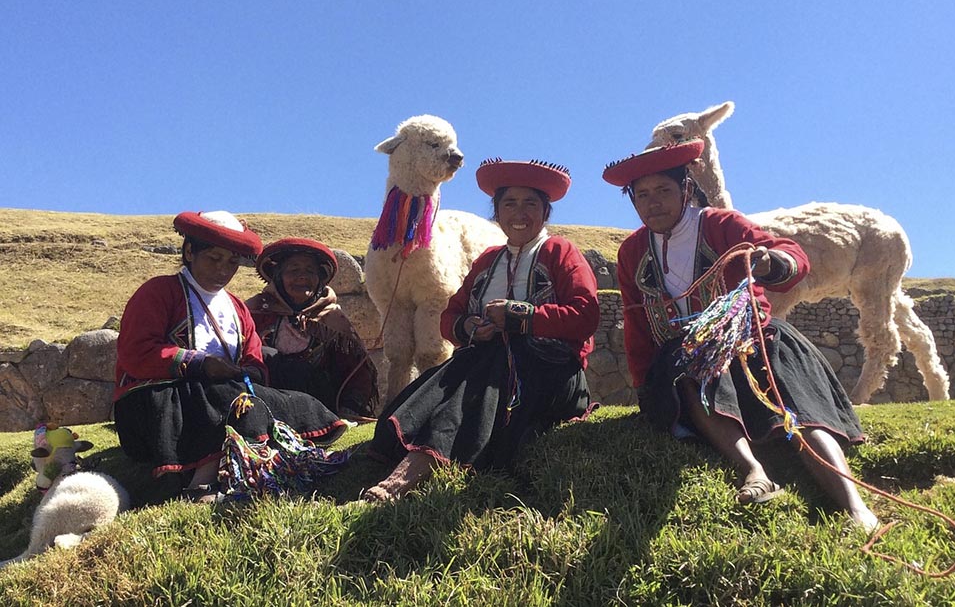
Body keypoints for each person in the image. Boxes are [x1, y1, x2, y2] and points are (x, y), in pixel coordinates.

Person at [603, 142, 878, 530]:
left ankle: (856, 508)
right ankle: (754, 471)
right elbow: (636, 322)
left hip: (753, 339)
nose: (653, 204)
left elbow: (788, 253)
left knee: (798, 409)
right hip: (690, 354)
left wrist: (772, 262)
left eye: (663, 191)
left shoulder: (719, 224)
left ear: (685, 189)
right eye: (642, 196)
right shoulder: (632, 251)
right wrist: (644, 384)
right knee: (685, 372)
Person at [365, 159, 599, 501]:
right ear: (498, 213)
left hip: (553, 372)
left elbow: (585, 314)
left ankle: (403, 479)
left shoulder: (559, 251)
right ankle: (407, 451)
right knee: (451, 376)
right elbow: (451, 317)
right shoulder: (488, 261)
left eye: (530, 203)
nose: (519, 212)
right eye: (509, 203)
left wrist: (521, 317)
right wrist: (469, 326)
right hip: (490, 365)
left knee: (482, 373)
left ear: (545, 212)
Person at [113, 211, 347, 500]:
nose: (223, 269)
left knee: (290, 400)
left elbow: (253, 359)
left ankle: (294, 455)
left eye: (232, 261)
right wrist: (200, 363)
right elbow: (136, 353)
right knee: (217, 395)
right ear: (189, 252)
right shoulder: (158, 292)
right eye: (214, 258)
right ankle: (203, 482)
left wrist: (247, 372)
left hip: (224, 393)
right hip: (160, 402)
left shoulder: (237, 307)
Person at [247, 238, 379, 420]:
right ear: (278, 277)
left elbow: (357, 374)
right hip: (263, 403)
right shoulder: (255, 312)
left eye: (310, 271)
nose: (302, 276)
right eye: (293, 270)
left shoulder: (332, 319)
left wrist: (350, 409)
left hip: (319, 410)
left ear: (320, 279)